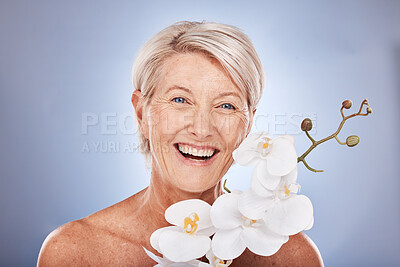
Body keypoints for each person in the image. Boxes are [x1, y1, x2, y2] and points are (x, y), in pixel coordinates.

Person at [37, 21, 324, 266]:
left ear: (248, 124)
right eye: (179, 100)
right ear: (141, 113)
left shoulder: (292, 258)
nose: (201, 129)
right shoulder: (75, 253)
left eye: (226, 106)